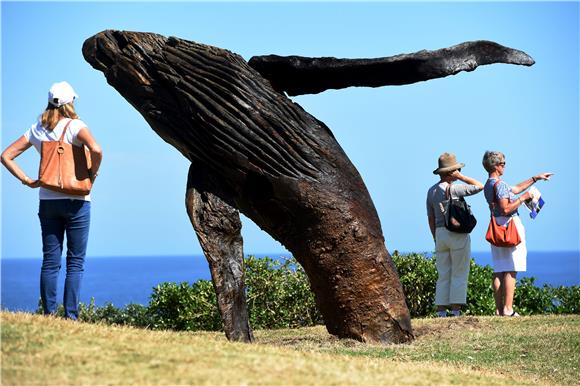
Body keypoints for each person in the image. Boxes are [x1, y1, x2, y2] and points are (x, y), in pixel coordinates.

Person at [1, 81, 102, 320]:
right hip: (78, 200)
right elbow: (96, 150)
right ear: (70, 102)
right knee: (75, 262)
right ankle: (71, 317)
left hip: (47, 200)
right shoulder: (77, 126)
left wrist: (27, 180)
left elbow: (6, 156)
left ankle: (48, 315)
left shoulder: (37, 129)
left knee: (50, 261)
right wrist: (92, 173)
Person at [482, 151, 552, 317]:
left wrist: (535, 178)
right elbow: (506, 208)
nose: (505, 166)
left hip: (496, 227)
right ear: (496, 166)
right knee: (512, 268)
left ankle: (499, 310)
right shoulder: (500, 185)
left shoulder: (489, 184)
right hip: (510, 226)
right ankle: (508, 309)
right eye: (503, 163)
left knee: (499, 269)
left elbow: (514, 188)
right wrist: (523, 198)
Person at [426, 153, 483, 317]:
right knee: (459, 271)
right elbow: (479, 186)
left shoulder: (431, 191)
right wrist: (462, 176)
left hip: (440, 233)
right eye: (456, 170)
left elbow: (430, 217)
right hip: (456, 233)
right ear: (451, 172)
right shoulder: (455, 188)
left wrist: (435, 237)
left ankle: (441, 312)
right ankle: (456, 311)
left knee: (443, 274)